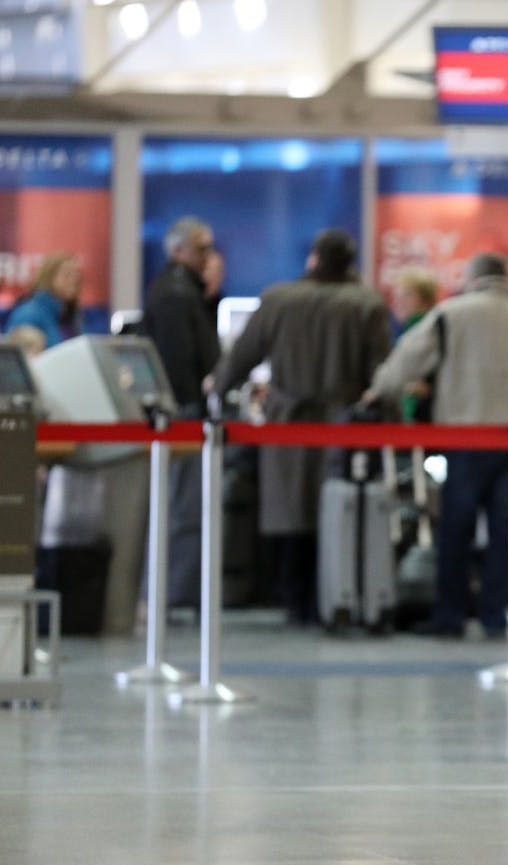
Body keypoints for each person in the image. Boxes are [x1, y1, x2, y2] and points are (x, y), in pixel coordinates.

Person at [364, 253, 508, 639]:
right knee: (505, 532)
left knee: (456, 530)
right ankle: (496, 617)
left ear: (472, 277)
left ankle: (450, 617)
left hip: (462, 438)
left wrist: (377, 391)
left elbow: (406, 362)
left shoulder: (451, 314)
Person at [212, 228, 391, 625]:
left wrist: (217, 394)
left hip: (285, 423)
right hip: (341, 425)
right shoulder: (365, 304)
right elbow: (381, 372)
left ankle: (292, 600)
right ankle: (335, 597)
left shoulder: (278, 299)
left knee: (289, 510)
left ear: (313, 259)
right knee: (337, 510)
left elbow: (241, 358)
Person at [141, 216, 222, 609]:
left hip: (185, 410)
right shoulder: (175, 294)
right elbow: (179, 361)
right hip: (183, 413)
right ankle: (171, 596)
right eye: (201, 248)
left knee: (184, 507)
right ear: (178, 251)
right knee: (182, 509)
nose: (209, 257)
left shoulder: (184, 291)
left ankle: (174, 594)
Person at [387, 266, 439, 422]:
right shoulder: (403, 330)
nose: (398, 302)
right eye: (396, 297)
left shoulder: (428, 328)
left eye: (407, 295)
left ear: (426, 299)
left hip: (425, 413)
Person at [6, 252, 83, 350]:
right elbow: (19, 356)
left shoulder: (72, 315)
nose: (74, 280)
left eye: (77, 274)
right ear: (48, 277)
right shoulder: (29, 313)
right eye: (67, 274)